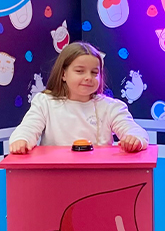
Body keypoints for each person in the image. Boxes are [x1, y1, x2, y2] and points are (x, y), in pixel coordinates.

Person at [9, 41, 149, 153]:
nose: (88, 77)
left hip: (98, 174)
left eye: (94, 73)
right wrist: (21, 140)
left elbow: (134, 130)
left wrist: (134, 139)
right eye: (80, 71)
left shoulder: (110, 107)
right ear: (63, 74)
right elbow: (28, 128)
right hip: (55, 173)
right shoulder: (45, 102)